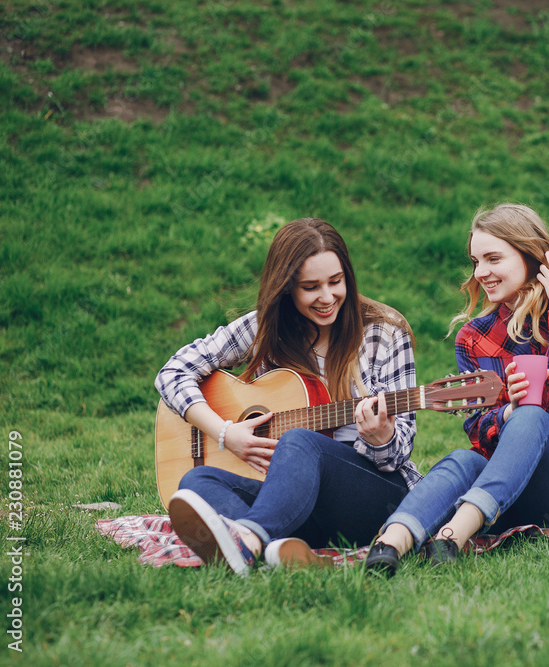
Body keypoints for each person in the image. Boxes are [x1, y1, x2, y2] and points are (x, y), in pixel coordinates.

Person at [155, 217, 420, 576]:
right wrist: (224, 433)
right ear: (286, 289)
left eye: (336, 282)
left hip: (374, 498)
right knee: (194, 483)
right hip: (297, 505)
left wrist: (380, 437)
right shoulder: (266, 328)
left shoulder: (385, 333)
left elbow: (398, 454)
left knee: (301, 441)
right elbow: (174, 371)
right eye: (311, 287)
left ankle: (248, 539)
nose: (327, 297)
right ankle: (281, 549)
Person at [357, 203, 549, 575]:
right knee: (463, 459)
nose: (482, 273)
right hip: (503, 497)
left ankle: (451, 536)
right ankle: (389, 544)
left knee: (533, 417)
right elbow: (477, 426)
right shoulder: (474, 337)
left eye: (493, 259)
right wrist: (506, 412)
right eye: (476, 261)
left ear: (530, 256)